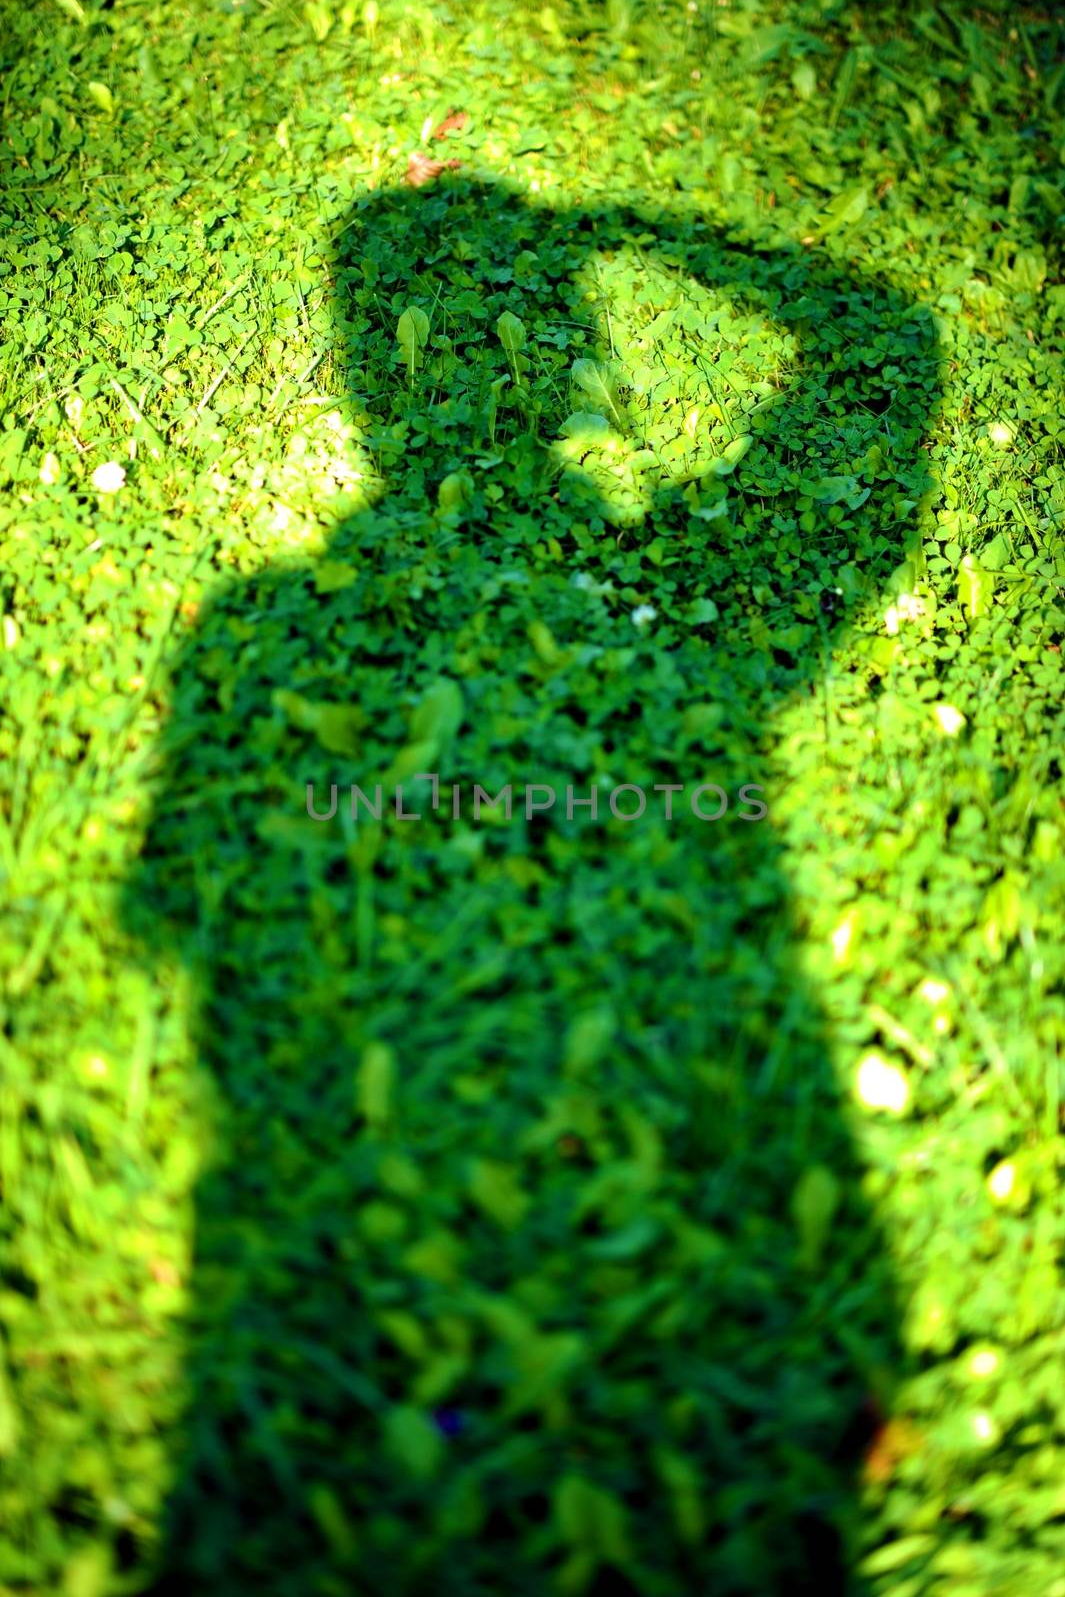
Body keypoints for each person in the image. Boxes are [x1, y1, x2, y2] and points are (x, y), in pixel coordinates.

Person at [122, 174, 939, 1596]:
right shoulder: (693, 615)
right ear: (575, 373)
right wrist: (661, 236)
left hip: (322, 1299)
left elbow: (172, 910)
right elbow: (883, 360)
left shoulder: (262, 638)